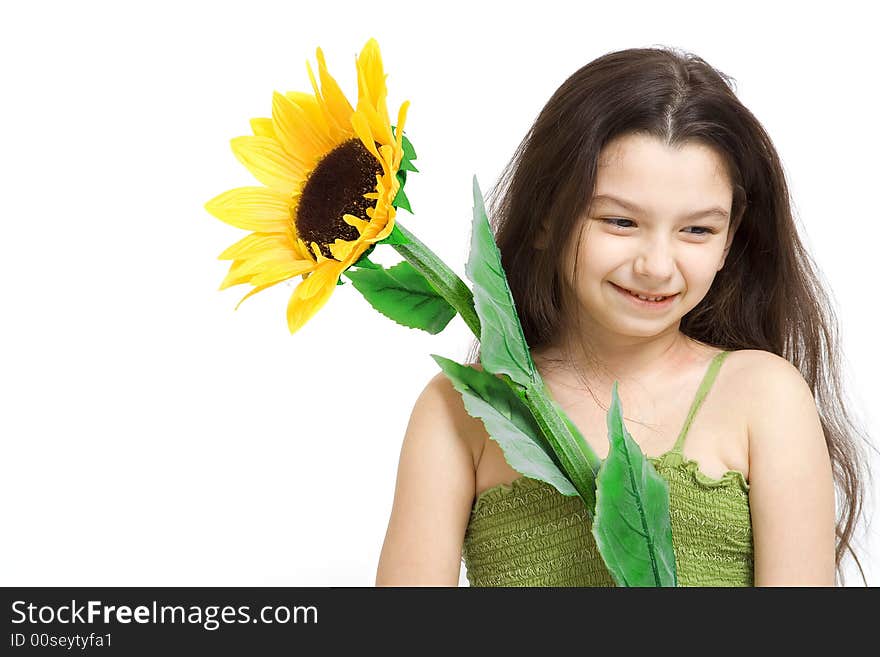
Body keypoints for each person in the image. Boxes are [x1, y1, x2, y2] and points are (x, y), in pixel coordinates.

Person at [374, 46, 872, 586]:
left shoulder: (765, 397)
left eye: (698, 230)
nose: (657, 266)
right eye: (620, 221)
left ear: (731, 237)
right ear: (546, 216)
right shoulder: (459, 411)